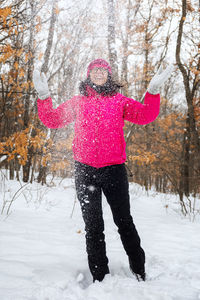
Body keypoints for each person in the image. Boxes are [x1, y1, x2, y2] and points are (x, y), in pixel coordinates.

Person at [33, 59, 173, 282]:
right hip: (85, 171)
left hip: (114, 170)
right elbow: (52, 119)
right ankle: (100, 277)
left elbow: (146, 115)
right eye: (95, 70)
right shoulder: (78, 102)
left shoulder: (120, 101)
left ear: (109, 75)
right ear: (89, 75)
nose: (99, 73)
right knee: (93, 227)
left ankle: (139, 270)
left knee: (124, 221)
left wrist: (153, 91)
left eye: (103, 70)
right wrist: (43, 97)